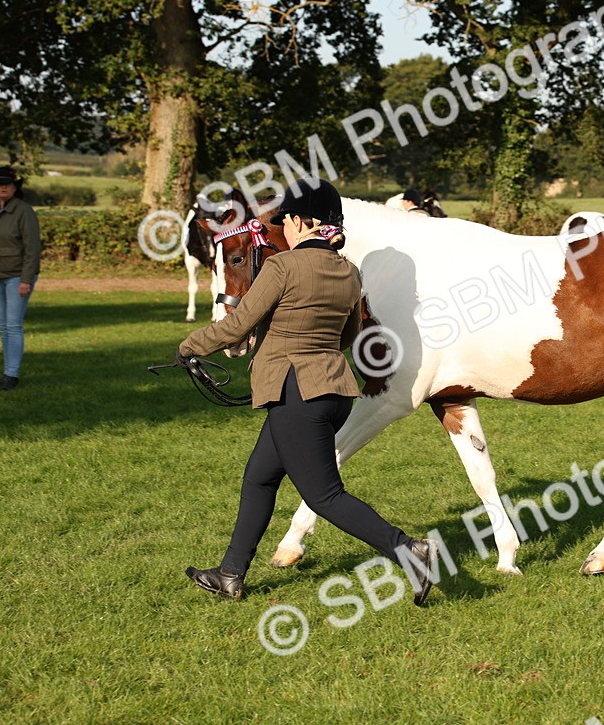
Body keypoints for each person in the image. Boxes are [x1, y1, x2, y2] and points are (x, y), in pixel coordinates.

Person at [178, 178, 438, 603]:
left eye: (288, 221)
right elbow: (346, 335)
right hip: (331, 389)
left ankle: (409, 550)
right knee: (260, 478)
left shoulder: (282, 267)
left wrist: (190, 346)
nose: (286, 228)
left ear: (303, 222)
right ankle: (230, 573)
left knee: (325, 496)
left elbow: (239, 324)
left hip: (296, 392)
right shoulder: (349, 272)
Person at [0, 167, 41, 389]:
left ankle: (12, 374)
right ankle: (6, 372)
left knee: (13, 325)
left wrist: (26, 279)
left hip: (17, 276)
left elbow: (32, 248)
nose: (3, 187)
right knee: (2, 326)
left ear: (15, 188)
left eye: (8, 184)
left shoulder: (24, 211)